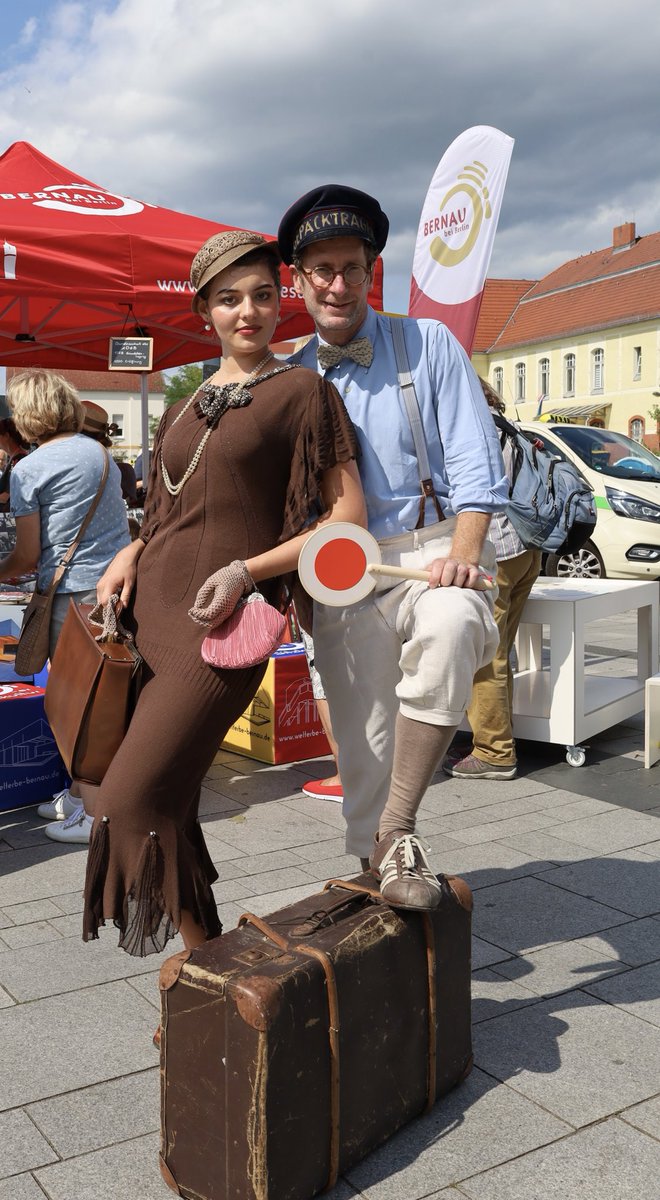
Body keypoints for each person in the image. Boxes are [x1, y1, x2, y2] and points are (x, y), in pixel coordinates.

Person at [83, 229, 365, 964]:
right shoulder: (187, 400)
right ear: (205, 308)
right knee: (169, 802)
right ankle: (206, 963)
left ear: (283, 300)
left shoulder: (303, 390)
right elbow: (171, 510)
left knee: (127, 800)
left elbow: (345, 521)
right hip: (150, 611)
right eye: (230, 298)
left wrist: (249, 569)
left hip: (223, 626)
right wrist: (129, 549)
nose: (250, 312)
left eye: (264, 295)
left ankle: (202, 962)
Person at [278, 185, 508, 910]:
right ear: (299, 280)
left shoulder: (427, 343)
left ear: (371, 271)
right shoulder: (286, 376)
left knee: (455, 623)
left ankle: (402, 829)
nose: (338, 284)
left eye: (351, 268)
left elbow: (477, 466)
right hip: (336, 572)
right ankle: (376, 871)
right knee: (363, 739)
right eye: (323, 271)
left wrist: (464, 554)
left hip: (429, 550)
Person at [0, 371, 131, 838]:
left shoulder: (29, 468)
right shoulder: (100, 454)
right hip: (116, 589)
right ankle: (78, 796)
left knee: (74, 704)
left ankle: (94, 815)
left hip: (69, 596)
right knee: (103, 696)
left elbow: (28, 554)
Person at [445, 380, 542, 780]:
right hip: (527, 548)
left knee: (486, 655)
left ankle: (494, 751)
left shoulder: (475, 428)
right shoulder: (507, 425)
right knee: (501, 649)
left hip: (495, 552)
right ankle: (498, 736)